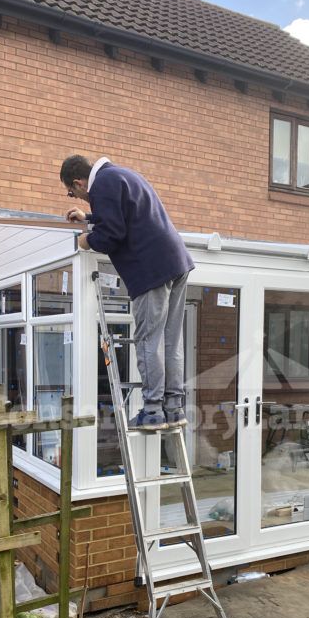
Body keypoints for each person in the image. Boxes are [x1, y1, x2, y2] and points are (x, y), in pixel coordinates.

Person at [60, 154, 194, 430]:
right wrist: (91, 217)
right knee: (171, 339)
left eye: (74, 192)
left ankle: (153, 411)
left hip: (151, 268)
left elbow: (112, 234)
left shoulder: (103, 185)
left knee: (148, 338)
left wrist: (86, 240)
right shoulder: (121, 175)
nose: (81, 198)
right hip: (176, 261)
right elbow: (124, 215)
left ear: (79, 181)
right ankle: (174, 407)